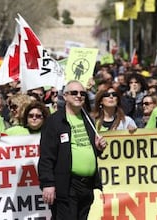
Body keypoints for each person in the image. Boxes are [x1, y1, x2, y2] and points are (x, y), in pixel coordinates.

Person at [38, 80, 107, 220]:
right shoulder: (55, 121)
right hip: (67, 184)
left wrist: (98, 148)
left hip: (86, 186)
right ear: (65, 96)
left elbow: (86, 148)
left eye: (82, 93)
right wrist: (48, 184)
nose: (79, 96)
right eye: (74, 93)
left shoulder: (88, 119)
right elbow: (46, 155)